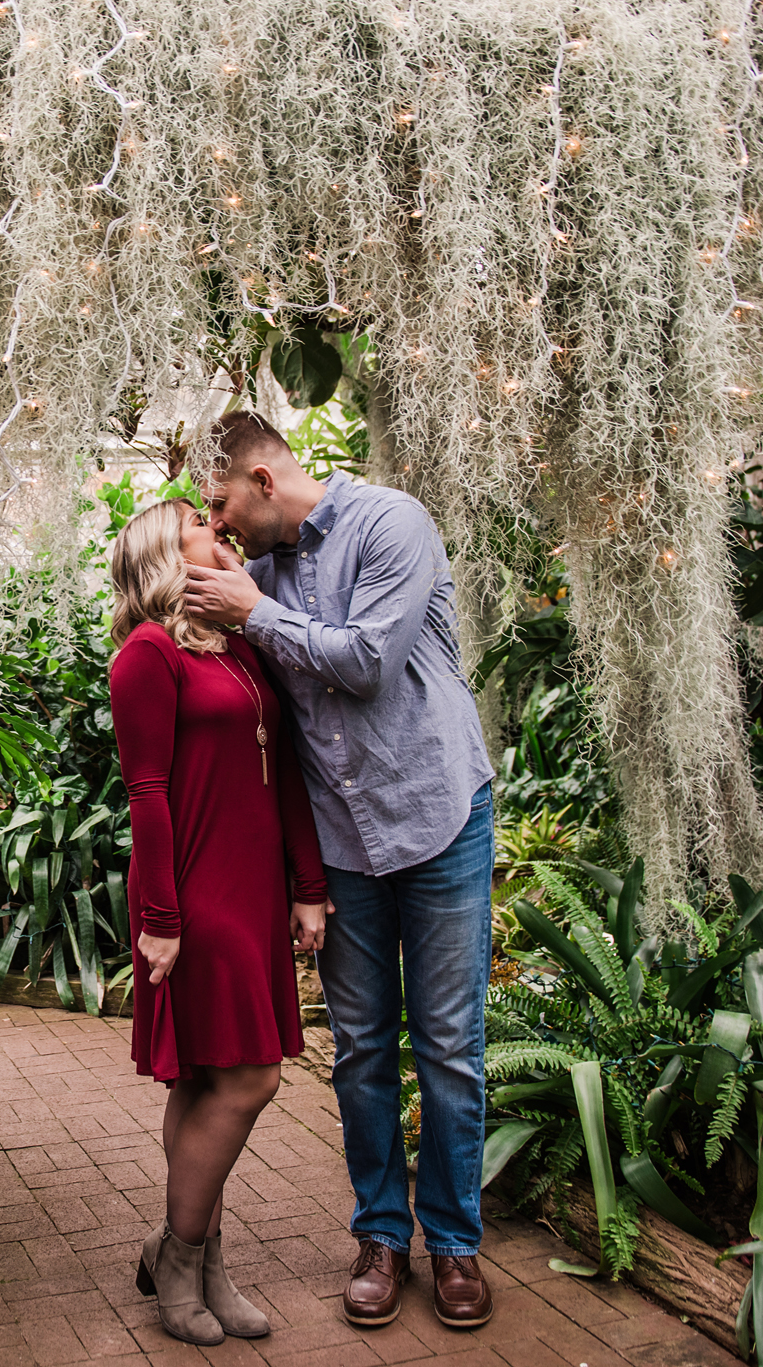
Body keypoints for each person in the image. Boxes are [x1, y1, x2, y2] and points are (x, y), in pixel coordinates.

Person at [180, 411, 499, 1331]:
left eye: (223, 500)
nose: (222, 522)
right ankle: (380, 1238)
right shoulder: (259, 573)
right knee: (360, 1049)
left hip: (440, 819)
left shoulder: (392, 523)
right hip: (344, 844)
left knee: (447, 1046)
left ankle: (455, 1244)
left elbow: (366, 662)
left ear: (264, 480)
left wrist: (256, 612)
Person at [106, 498, 330, 1347]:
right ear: (169, 552)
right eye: (201, 522)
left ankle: (198, 1259)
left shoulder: (242, 648)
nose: (220, 526)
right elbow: (148, 794)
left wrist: (307, 885)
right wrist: (160, 917)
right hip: (192, 894)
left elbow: (292, 769)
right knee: (248, 1079)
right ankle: (180, 1256)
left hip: (253, 889)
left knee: (208, 1082)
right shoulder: (148, 655)